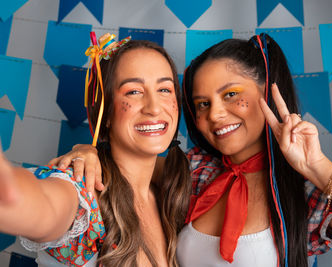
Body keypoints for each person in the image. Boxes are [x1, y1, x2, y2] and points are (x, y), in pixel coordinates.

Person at [51, 34, 332, 267]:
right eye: (202, 104)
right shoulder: (194, 172)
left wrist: (317, 167)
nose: (215, 114)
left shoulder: (299, 191)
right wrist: (89, 150)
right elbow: (125, 163)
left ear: (267, 91)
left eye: (231, 94)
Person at [0, 33, 191, 267]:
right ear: (106, 112)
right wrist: (12, 192)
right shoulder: (85, 191)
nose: (154, 108)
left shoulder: (172, 191)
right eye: (133, 91)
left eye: (164, 90)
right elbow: (43, 205)